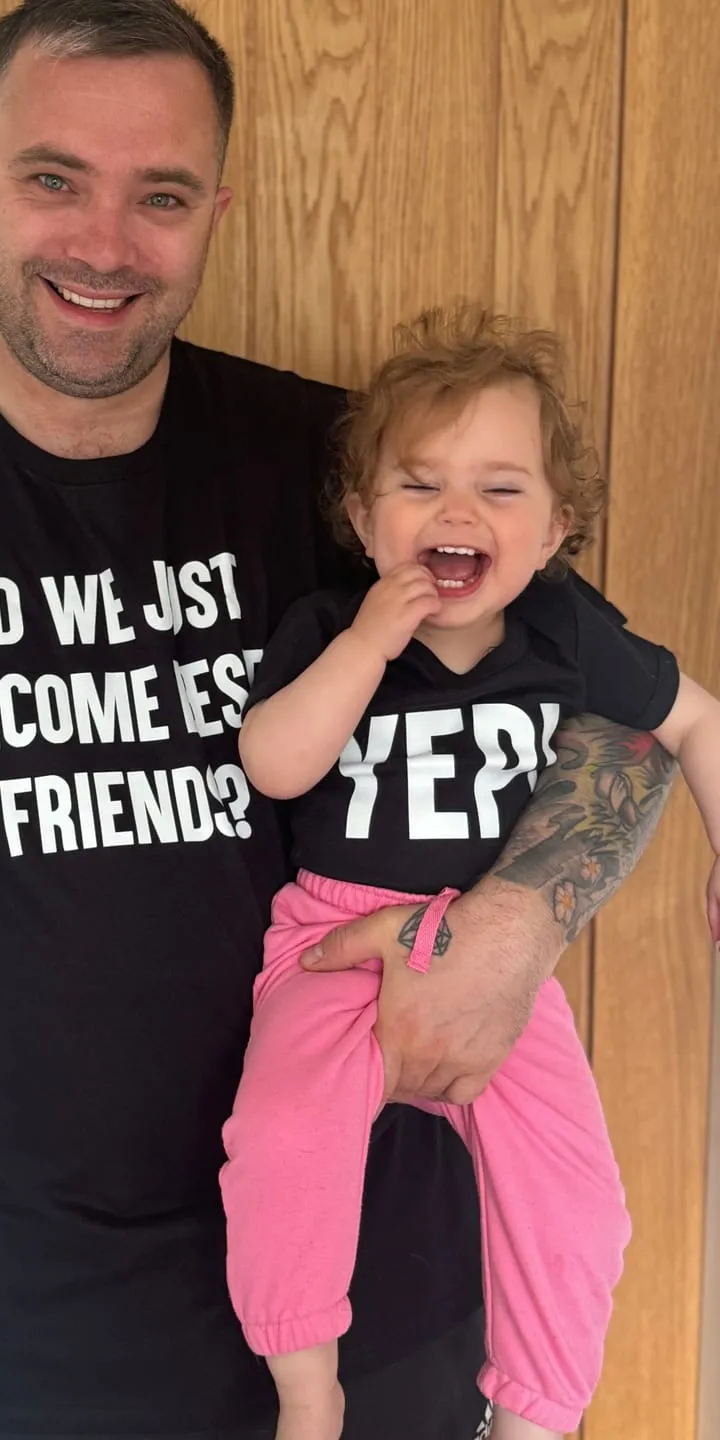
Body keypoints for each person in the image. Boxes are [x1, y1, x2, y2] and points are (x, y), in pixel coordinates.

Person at [0, 5, 675, 1440]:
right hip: (18, 1347)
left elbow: (618, 713)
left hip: (383, 1315)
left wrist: (519, 927)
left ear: (215, 212)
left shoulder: (362, 477)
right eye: (52, 179)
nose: (104, 245)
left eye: (162, 194)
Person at [221, 306, 720, 1440]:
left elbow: (696, 720)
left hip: (501, 958)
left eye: (501, 490)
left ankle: (540, 1413)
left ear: (553, 532)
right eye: (420, 485)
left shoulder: (563, 630)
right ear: (362, 518)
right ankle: (308, 1392)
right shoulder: (328, 626)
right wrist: (364, 648)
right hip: (332, 938)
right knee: (281, 1144)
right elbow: (274, 763)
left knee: (578, 1200)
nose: (457, 513)